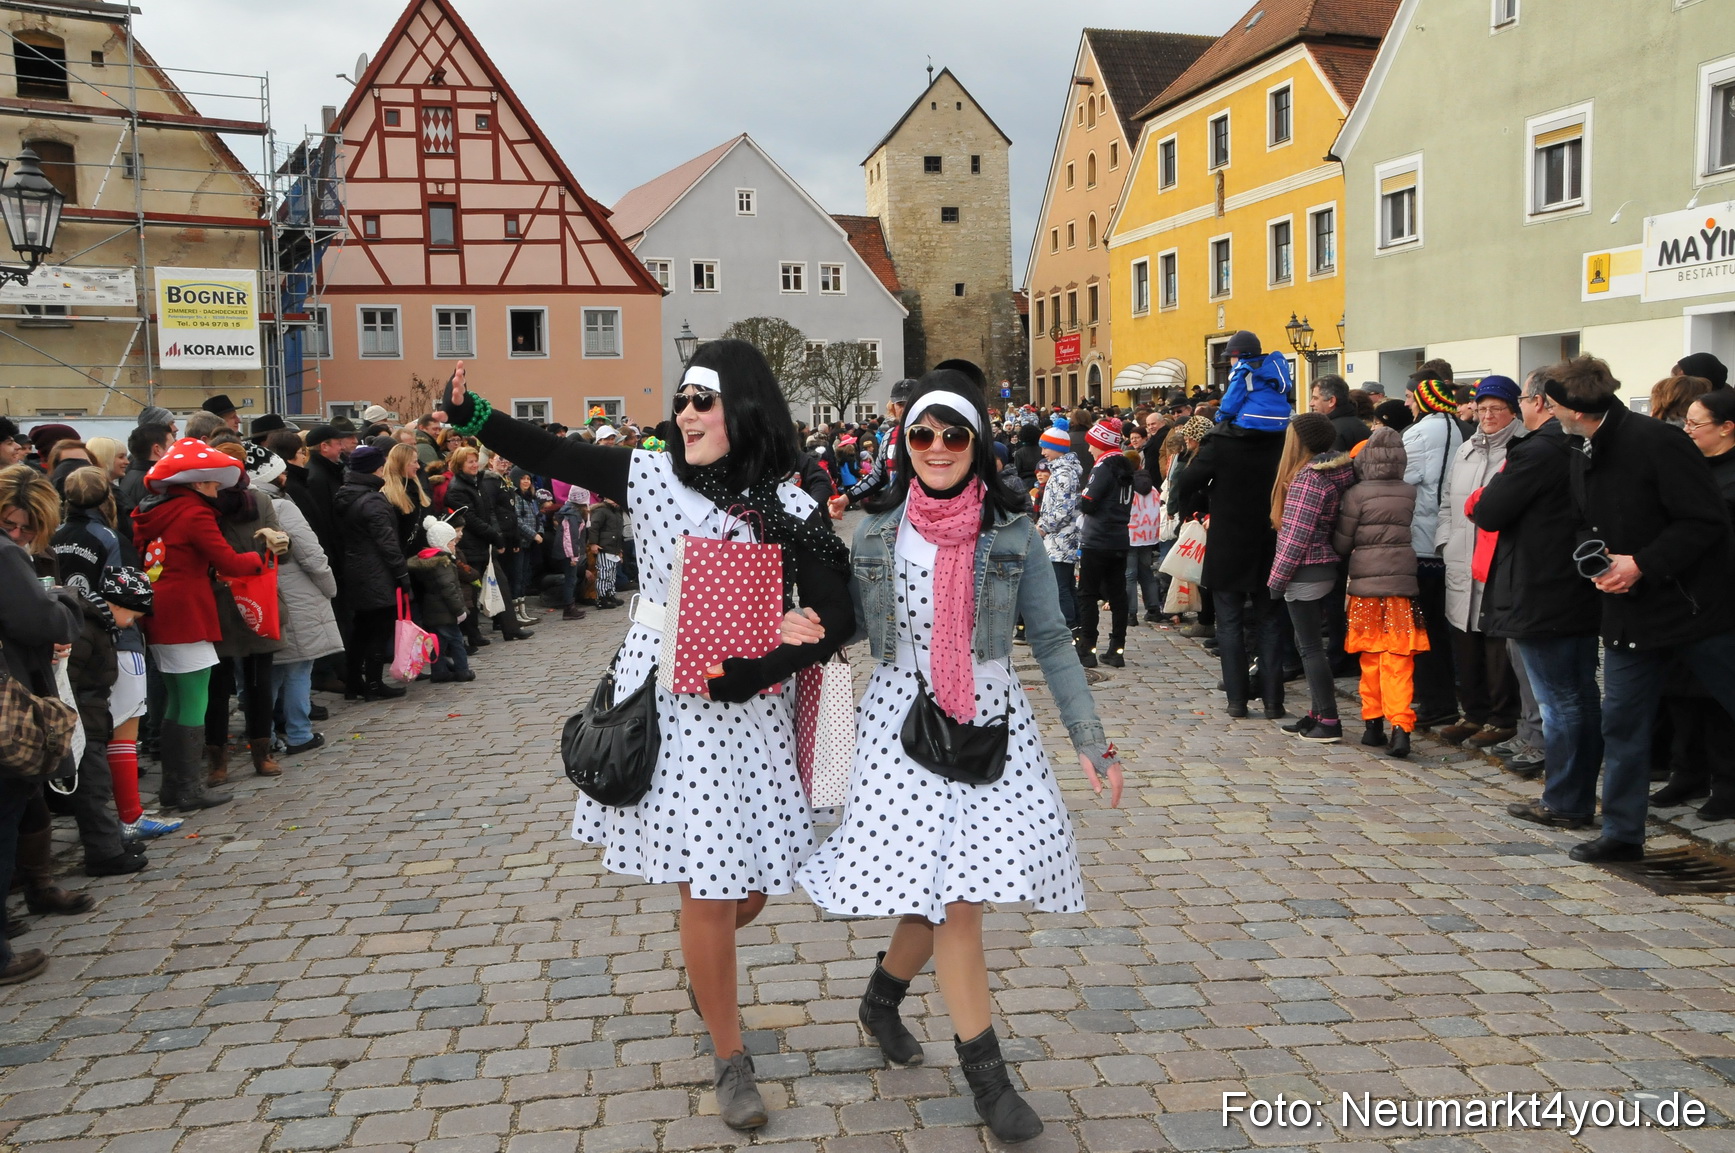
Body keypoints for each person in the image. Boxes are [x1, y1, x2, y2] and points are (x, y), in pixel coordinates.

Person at [436, 343, 855, 1132]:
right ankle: (731, 1056)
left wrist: (791, 641)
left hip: (753, 708)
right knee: (712, 883)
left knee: (752, 885)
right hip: (671, 703)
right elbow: (551, 450)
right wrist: (473, 414)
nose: (687, 412)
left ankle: (706, 962)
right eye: (683, 399)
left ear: (747, 409)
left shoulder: (791, 507)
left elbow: (843, 614)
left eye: (706, 399)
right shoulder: (650, 476)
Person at [791, 373, 1124, 1146]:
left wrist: (1090, 740)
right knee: (952, 894)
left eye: (953, 435)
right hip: (900, 723)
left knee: (948, 889)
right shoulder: (876, 527)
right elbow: (840, 617)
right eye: (921, 435)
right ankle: (989, 1079)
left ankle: (881, 997)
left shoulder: (1009, 530)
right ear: (903, 445)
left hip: (987, 719)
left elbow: (1048, 638)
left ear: (976, 445)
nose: (936, 449)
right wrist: (793, 621)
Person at [1543, 355, 1735, 862]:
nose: (1545, 409)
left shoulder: (1660, 442)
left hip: (1697, 612)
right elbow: (1585, 519)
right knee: (1623, 724)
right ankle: (1624, 834)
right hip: (1629, 612)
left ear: (1572, 408)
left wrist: (1642, 565)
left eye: (1551, 402)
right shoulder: (1580, 446)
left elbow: (1705, 521)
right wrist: (1597, 559)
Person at [1475, 372, 1604, 830]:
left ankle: (1566, 799)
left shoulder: (1539, 450)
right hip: (1574, 585)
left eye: (1528, 398)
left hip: (1540, 588)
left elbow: (1490, 510)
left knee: (1560, 702)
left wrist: (1482, 498)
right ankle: (1575, 795)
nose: (1526, 406)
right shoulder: (1580, 444)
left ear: (1543, 403)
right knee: (1581, 697)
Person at [131, 439, 264, 811]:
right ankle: (186, 789)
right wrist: (262, 558)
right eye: (210, 483)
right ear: (196, 483)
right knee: (194, 698)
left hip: (161, 610)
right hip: (187, 612)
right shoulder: (194, 513)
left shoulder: (152, 511)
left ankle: (175, 788)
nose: (216, 489)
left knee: (177, 697)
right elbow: (228, 560)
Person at [0, 464, 84, 982]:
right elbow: (40, 618)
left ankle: (34, 887)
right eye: (14, 524)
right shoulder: (7, 555)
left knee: (21, 805)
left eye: (26, 528)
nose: (19, 535)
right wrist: (61, 599)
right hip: (11, 700)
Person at [1644, 388, 1735, 820]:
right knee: (1679, 690)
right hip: (1679, 594)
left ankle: (1728, 782)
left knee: (1718, 694)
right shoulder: (1689, 465)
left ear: (1727, 428)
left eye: (1696, 424)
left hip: (1723, 597)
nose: (1687, 430)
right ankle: (1687, 772)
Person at [1171, 409, 1289, 719]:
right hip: (1269, 538)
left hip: (1228, 542)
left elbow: (1187, 479)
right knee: (1270, 623)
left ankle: (1237, 700)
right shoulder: (1281, 438)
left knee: (1231, 624)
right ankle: (1274, 702)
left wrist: (1200, 502)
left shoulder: (1222, 442)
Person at [1435, 376, 1523, 748]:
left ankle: (1503, 718)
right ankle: (1472, 713)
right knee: (1464, 639)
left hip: (1498, 561)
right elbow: (1445, 502)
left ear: (1513, 410)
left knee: (1495, 643)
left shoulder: (1520, 448)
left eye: (1496, 409)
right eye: (1482, 408)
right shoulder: (1466, 448)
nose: (1487, 415)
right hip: (1460, 557)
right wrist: (1445, 542)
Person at [1333, 426, 1425, 758]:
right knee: (1399, 659)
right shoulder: (1409, 491)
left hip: (1365, 589)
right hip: (1402, 588)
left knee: (1370, 657)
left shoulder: (1356, 494)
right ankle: (1401, 727)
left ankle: (1372, 724)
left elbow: (1342, 543)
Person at [1268, 413, 1355, 742]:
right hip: (1316, 566)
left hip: (1307, 567)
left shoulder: (1308, 479)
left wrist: (1276, 581)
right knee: (1307, 646)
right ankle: (1318, 712)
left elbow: (1296, 537)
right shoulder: (1327, 473)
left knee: (1309, 649)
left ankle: (1328, 720)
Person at [260, 450, 343, 756]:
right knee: (297, 668)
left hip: (262, 595)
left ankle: (264, 735)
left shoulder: (243, 503)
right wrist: (329, 586)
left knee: (269, 672)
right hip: (295, 595)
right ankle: (298, 733)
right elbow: (311, 553)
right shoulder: (281, 506)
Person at [1401, 367, 1463, 727]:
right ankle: (1445, 700)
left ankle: (1434, 703)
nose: (1408, 405)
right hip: (1452, 540)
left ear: (1424, 401)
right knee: (1446, 627)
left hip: (1423, 543)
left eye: (1411, 398)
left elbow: (1406, 479)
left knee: (1424, 629)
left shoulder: (1420, 434)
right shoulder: (1462, 430)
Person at [333, 444, 411, 702]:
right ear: (376, 470)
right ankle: (375, 684)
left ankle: (354, 682)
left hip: (355, 569)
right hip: (376, 572)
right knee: (379, 628)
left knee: (361, 629)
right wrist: (402, 574)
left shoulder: (346, 493)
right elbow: (388, 544)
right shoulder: (374, 500)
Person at [1075, 418, 1143, 668]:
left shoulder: (1104, 467)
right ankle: (1117, 648)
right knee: (1117, 595)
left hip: (1097, 539)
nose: (1089, 450)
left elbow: (1089, 502)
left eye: (1092, 445)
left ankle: (1087, 648)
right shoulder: (1125, 466)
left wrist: (1082, 497)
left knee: (1088, 594)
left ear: (1101, 444)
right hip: (1119, 538)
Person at [409, 515, 472, 683]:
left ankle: (439, 671)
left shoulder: (429, 561)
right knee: (456, 640)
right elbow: (449, 589)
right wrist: (460, 610)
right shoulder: (442, 564)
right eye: (451, 541)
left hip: (433, 610)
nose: (454, 544)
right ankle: (462, 670)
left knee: (438, 643)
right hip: (445, 611)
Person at [1035, 425, 1082, 630]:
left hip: (1061, 538)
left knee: (1060, 586)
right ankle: (1075, 624)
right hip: (1060, 538)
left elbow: (1063, 509)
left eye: (1046, 448)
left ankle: (1068, 626)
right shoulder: (1061, 471)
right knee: (1067, 585)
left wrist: (1043, 527)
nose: (1043, 453)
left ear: (1058, 448)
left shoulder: (1064, 473)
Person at [1215, 330, 1294, 433]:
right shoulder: (1274, 369)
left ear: (1237, 357)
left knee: (1215, 435)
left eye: (1230, 357)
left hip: (1252, 421)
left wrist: (1219, 416)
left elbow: (1231, 400)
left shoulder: (1243, 370)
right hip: (1280, 422)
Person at [120, 423, 172, 525]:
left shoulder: (128, 476)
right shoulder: (157, 483)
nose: (176, 450)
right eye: (173, 446)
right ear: (157, 449)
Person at [1310, 374, 1370, 451]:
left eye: (1315, 398)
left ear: (1332, 401)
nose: (1311, 403)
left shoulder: (1331, 432)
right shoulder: (1360, 425)